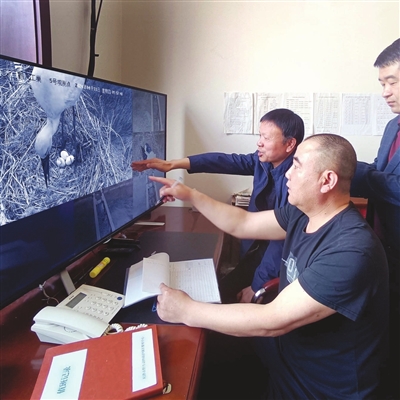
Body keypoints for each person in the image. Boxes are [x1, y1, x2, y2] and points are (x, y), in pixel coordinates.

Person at [150, 134, 389, 399]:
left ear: (327, 181)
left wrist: (185, 310)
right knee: (189, 356)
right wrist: (190, 195)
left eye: (297, 165)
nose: (287, 174)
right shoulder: (303, 213)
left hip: (316, 386)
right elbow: (242, 223)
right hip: (286, 353)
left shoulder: (351, 251)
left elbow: (272, 321)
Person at [132, 108, 305, 303]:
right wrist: (172, 164)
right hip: (254, 249)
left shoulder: (296, 182)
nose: (259, 142)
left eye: (266, 137)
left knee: (222, 297)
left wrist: (258, 286)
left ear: (290, 144)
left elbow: (281, 243)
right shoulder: (263, 162)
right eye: (259, 135)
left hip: (274, 264)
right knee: (221, 290)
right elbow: (223, 161)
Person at [350, 38, 400, 398]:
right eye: (382, 83)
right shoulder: (393, 127)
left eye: (392, 82)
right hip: (384, 251)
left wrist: (355, 172)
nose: (385, 92)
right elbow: (382, 174)